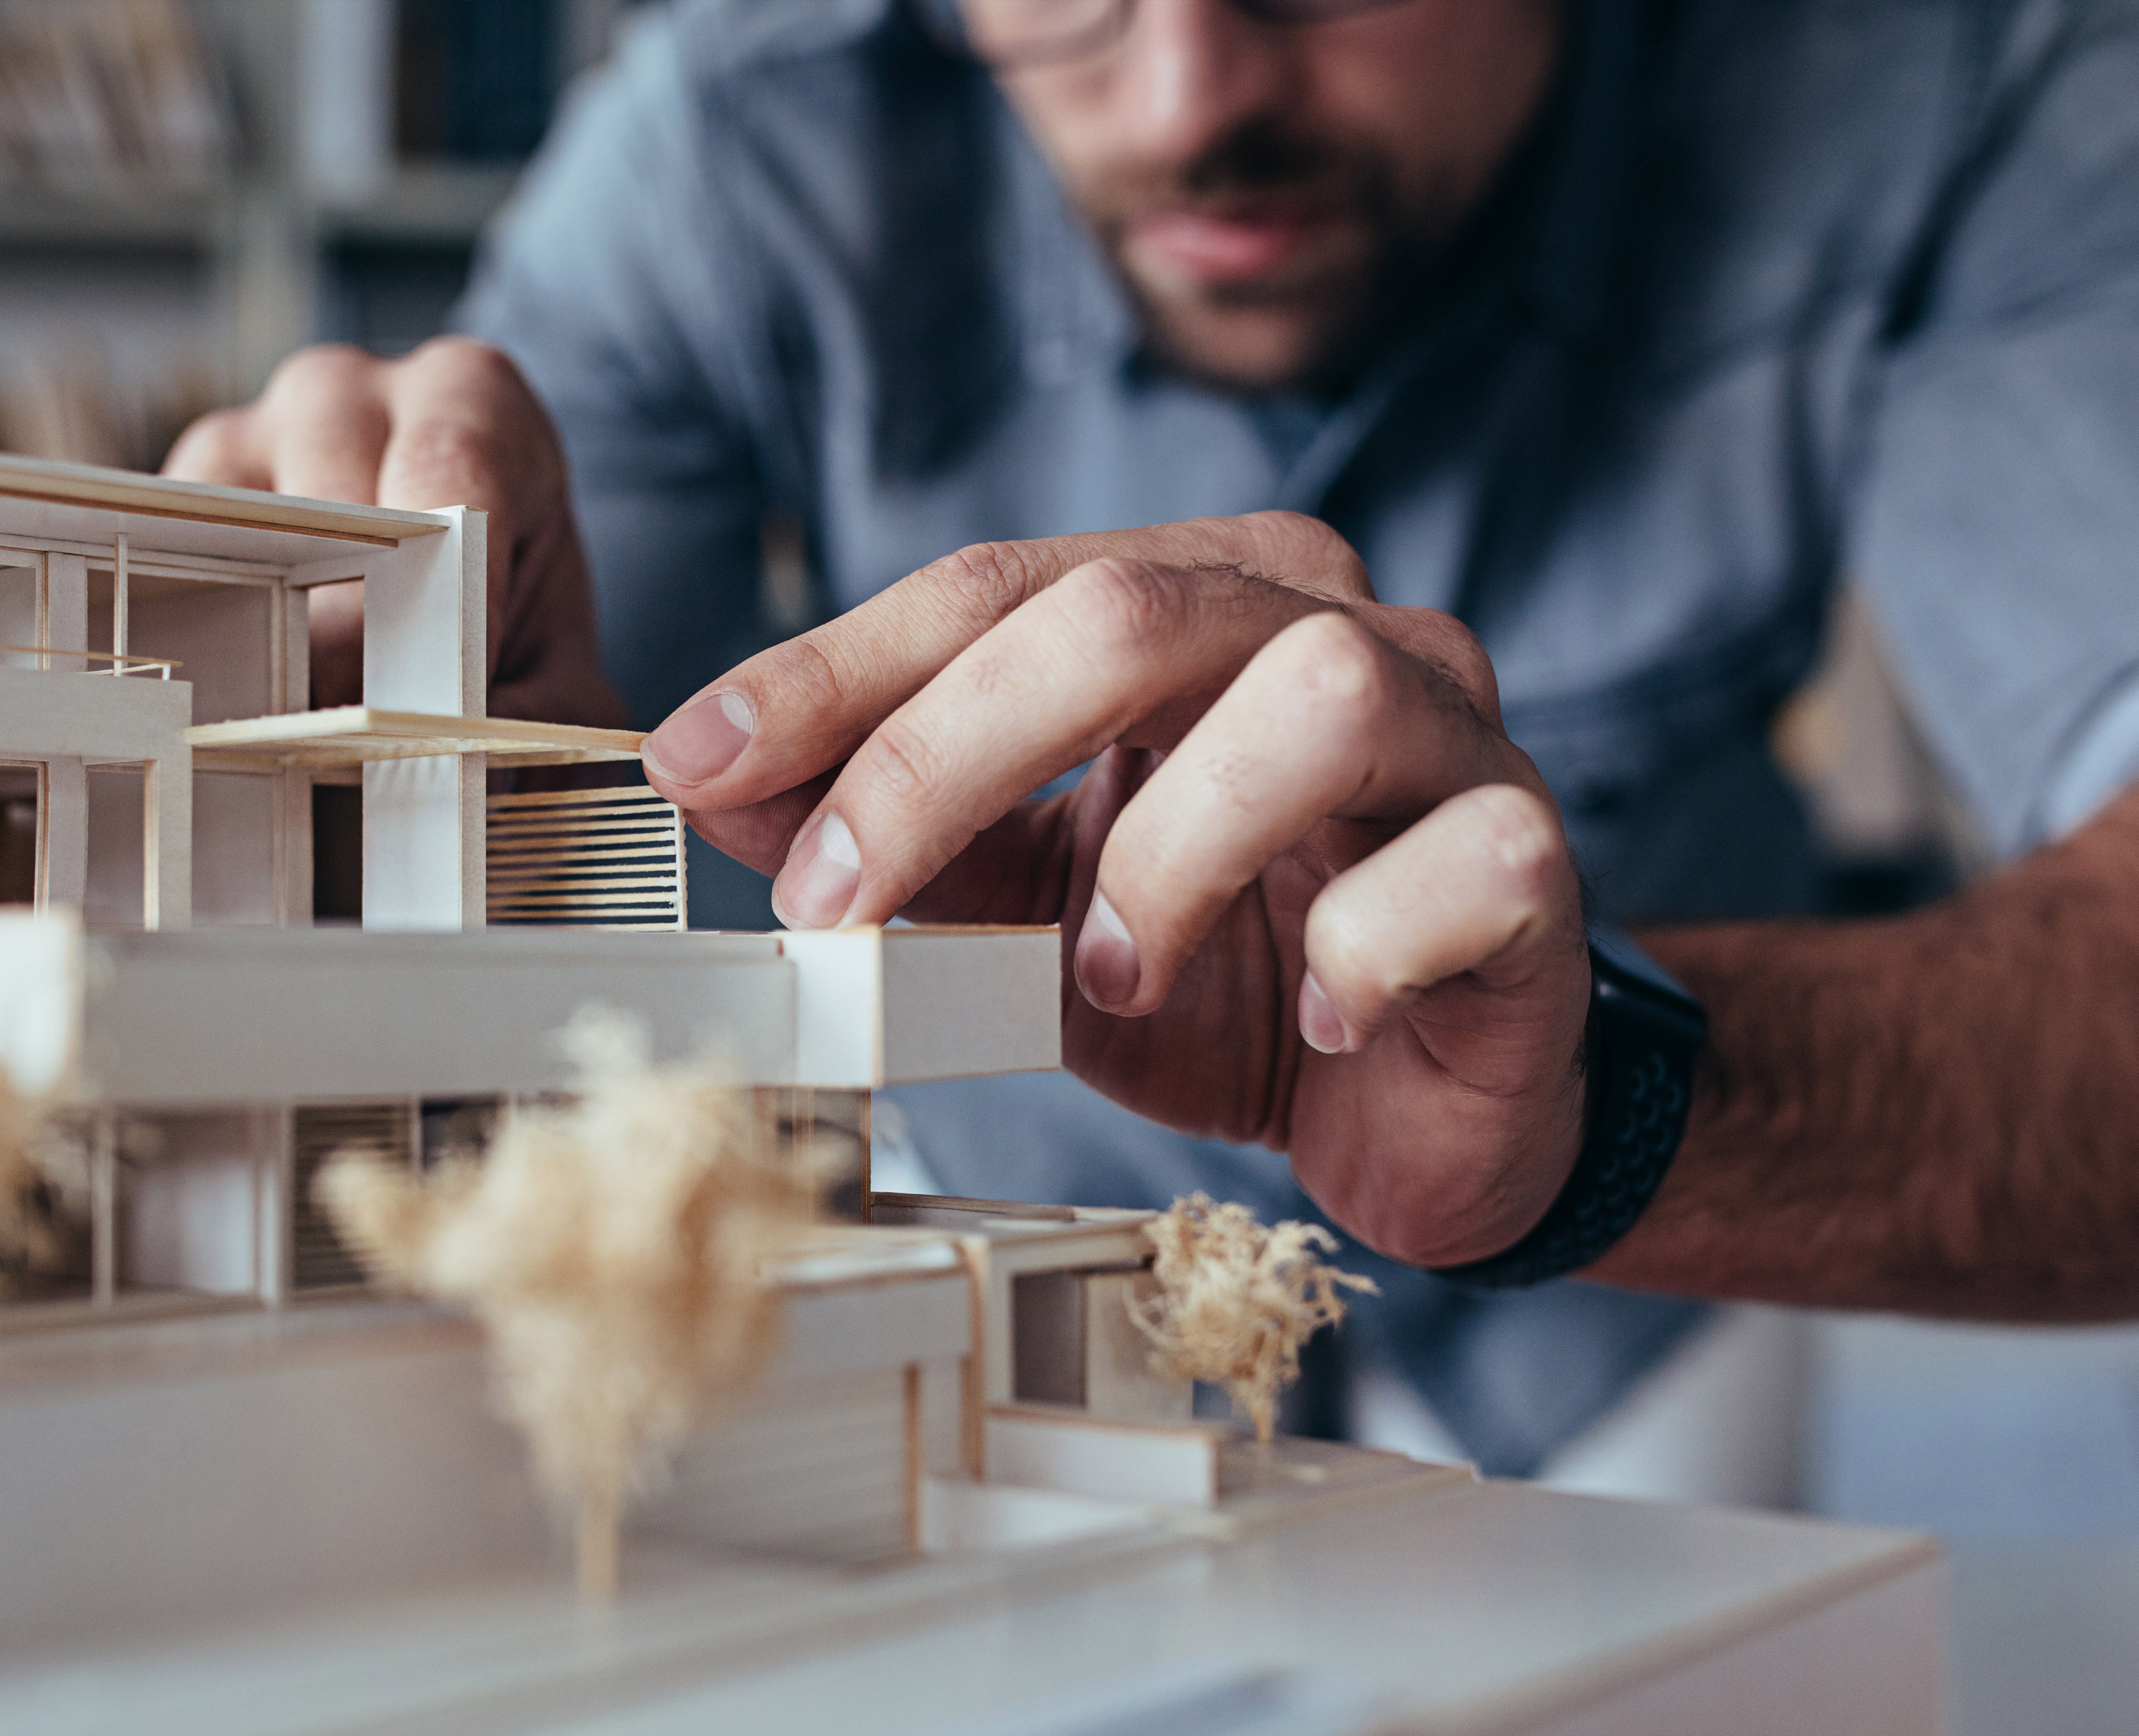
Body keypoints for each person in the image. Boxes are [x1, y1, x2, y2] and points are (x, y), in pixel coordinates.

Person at [165, 0, 2139, 1477]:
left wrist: (1594, 1121)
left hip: (1649, 1286)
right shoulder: (723, 133)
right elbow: (561, 830)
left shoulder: (1951, 84)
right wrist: (406, 775)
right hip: (996, 1309)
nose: (1194, 98)